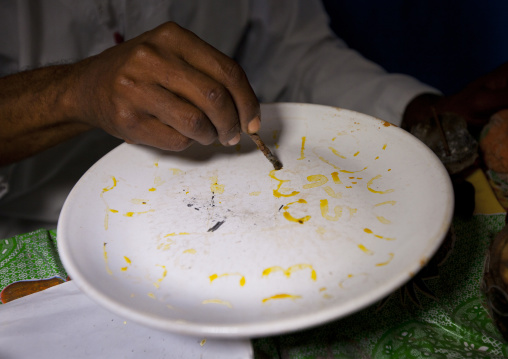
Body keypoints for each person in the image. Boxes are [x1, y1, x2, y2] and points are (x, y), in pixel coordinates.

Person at [0, 0, 507, 238]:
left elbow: (296, 53)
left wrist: (413, 110)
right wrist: (70, 93)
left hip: (235, 210)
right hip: (31, 231)